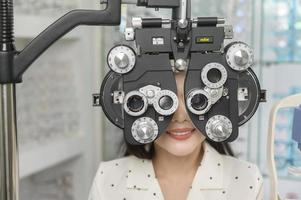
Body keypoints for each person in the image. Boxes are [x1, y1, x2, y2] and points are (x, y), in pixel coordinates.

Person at [88, 72, 264, 200]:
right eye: (164, 101)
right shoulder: (107, 179)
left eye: (196, 100)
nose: (180, 116)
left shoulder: (247, 178)